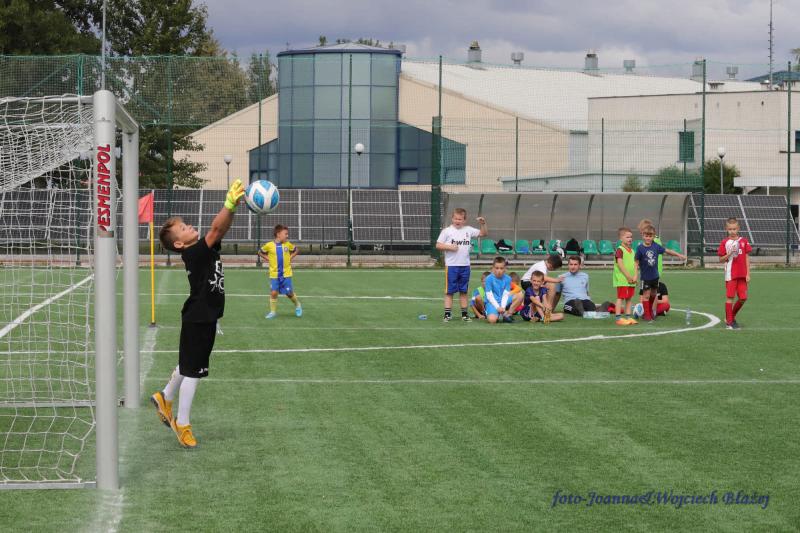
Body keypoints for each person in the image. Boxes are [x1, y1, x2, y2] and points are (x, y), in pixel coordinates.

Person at [150, 179, 245, 448]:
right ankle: (182, 423)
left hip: (203, 317)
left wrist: (232, 209)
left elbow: (221, 229)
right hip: (199, 318)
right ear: (180, 244)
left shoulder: (203, 248)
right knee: (194, 372)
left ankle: (164, 396)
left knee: (189, 364)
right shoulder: (194, 253)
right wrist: (228, 203)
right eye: (184, 228)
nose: (190, 226)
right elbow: (215, 229)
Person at [435, 208, 488, 322]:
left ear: (464, 220)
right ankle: (447, 314)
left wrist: (483, 224)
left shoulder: (468, 230)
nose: (457, 221)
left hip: (465, 266)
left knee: (463, 291)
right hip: (451, 266)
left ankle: (464, 314)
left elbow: (483, 233)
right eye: (455, 218)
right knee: (449, 291)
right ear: (452, 218)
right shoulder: (447, 231)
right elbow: (438, 245)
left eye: (460, 219)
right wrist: (450, 247)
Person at [635, 225, 686, 322]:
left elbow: (667, 251)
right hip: (645, 277)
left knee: (653, 294)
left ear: (653, 236)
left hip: (655, 276)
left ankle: (651, 311)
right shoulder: (640, 248)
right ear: (643, 236)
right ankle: (647, 315)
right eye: (646, 236)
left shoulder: (656, 246)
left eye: (650, 236)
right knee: (646, 296)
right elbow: (636, 261)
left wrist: (678, 255)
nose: (648, 238)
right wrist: (635, 274)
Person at [258, 224, 302, 319]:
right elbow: (260, 252)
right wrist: (268, 258)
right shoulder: (269, 245)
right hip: (274, 274)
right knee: (274, 293)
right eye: (285, 234)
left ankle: (298, 305)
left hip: (286, 274)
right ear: (278, 234)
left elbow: (296, 250)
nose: (287, 236)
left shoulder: (288, 244)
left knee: (289, 293)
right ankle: (273, 312)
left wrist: (290, 257)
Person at [718, 217, 751, 330]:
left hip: (742, 275)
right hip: (731, 274)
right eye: (730, 229)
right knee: (730, 297)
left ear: (738, 228)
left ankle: (730, 317)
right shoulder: (725, 242)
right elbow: (721, 259)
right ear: (726, 229)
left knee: (743, 298)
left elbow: (746, 258)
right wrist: (729, 253)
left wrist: (748, 273)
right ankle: (730, 323)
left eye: (734, 229)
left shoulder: (744, 241)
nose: (732, 231)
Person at [613, 227, 638, 326]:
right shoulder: (620, 250)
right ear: (621, 238)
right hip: (623, 279)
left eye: (631, 237)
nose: (630, 239)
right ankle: (618, 318)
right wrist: (628, 276)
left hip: (631, 280)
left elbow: (635, 264)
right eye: (627, 237)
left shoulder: (632, 251)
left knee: (629, 298)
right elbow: (620, 264)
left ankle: (628, 317)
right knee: (620, 297)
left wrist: (635, 275)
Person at [484, 256, 514, 324]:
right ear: (493, 268)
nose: (499, 270)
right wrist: (498, 307)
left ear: (505, 268)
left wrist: (502, 307)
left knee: (519, 295)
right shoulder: (489, 278)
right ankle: (492, 313)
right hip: (492, 302)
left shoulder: (508, 278)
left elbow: (505, 295)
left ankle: (507, 315)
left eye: (501, 268)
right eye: (497, 268)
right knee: (492, 320)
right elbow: (489, 296)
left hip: (503, 301)